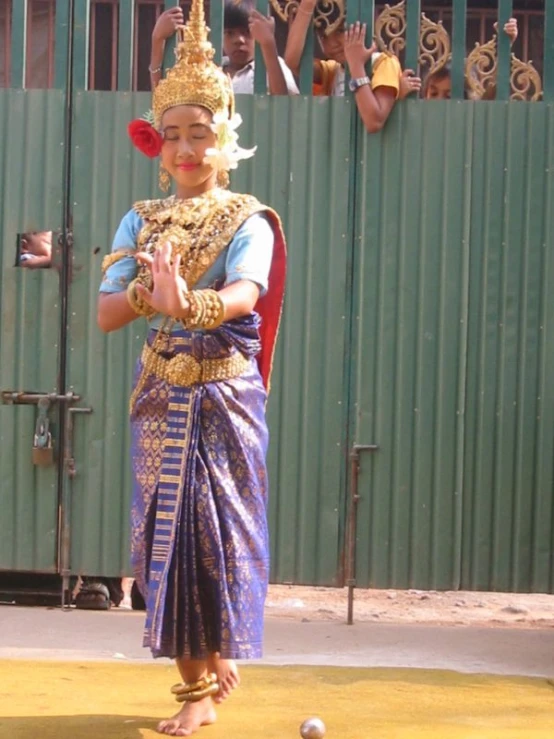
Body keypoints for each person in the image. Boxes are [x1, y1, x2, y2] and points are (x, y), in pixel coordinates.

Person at [98, 1, 286, 735]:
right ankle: (195, 681)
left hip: (224, 395)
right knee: (165, 536)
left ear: (225, 136)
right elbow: (110, 311)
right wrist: (153, 295)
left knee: (221, 534)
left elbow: (246, 293)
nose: (183, 148)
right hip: (160, 391)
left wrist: (192, 303)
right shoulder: (139, 219)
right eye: (172, 134)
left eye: (198, 134)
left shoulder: (247, 218)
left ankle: (213, 670)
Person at [284, 0, 420, 131]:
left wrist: (356, 66)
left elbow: (374, 122)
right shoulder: (333, 70)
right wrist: (307, 4)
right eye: (323, 36)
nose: (332, 43)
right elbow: (293, 62)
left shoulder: (383, 63)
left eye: (340, 30)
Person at [150, 1, 299, 96]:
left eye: (246, 32)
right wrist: (157, 39)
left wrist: (268, 44)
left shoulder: (270, 65)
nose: (239, 40)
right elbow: (164, 96)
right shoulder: (209, 68)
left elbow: (283, 106)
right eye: (229, 33)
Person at [422, 18, 519, 100]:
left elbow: (494, 90)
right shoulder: (417, 117)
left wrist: (505, 45)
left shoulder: (475, 117)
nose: (439, 101)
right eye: (433, 94)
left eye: (448, 96)